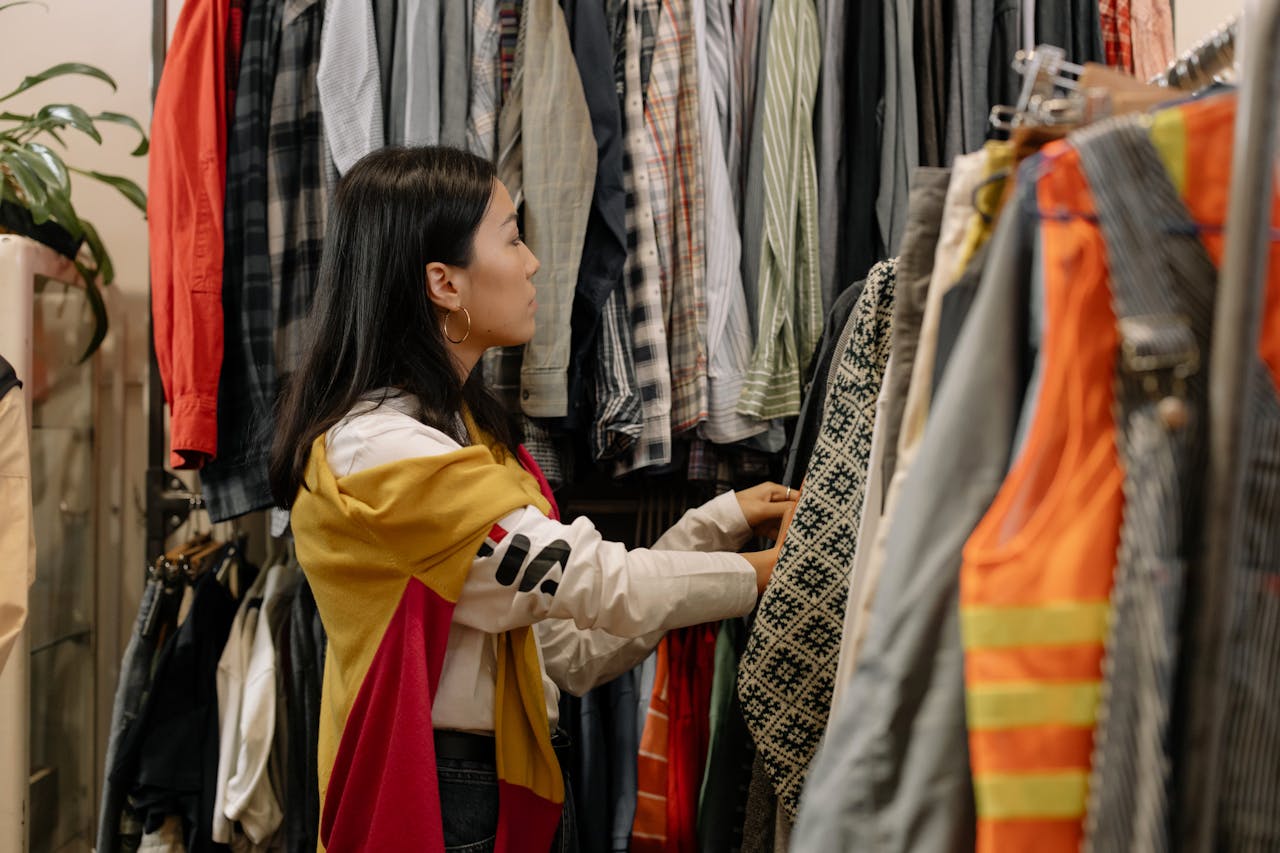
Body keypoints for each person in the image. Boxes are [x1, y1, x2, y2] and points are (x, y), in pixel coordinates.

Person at [270, 146, 798, 853]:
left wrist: (719, 524)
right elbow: (595, 582)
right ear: (443, 282)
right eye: (512, 236)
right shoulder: (381, 455)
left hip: (501, 788)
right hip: (446, 803)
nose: (532, 263)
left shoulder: (466, 439)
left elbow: (573, 649)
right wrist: (762, 573)